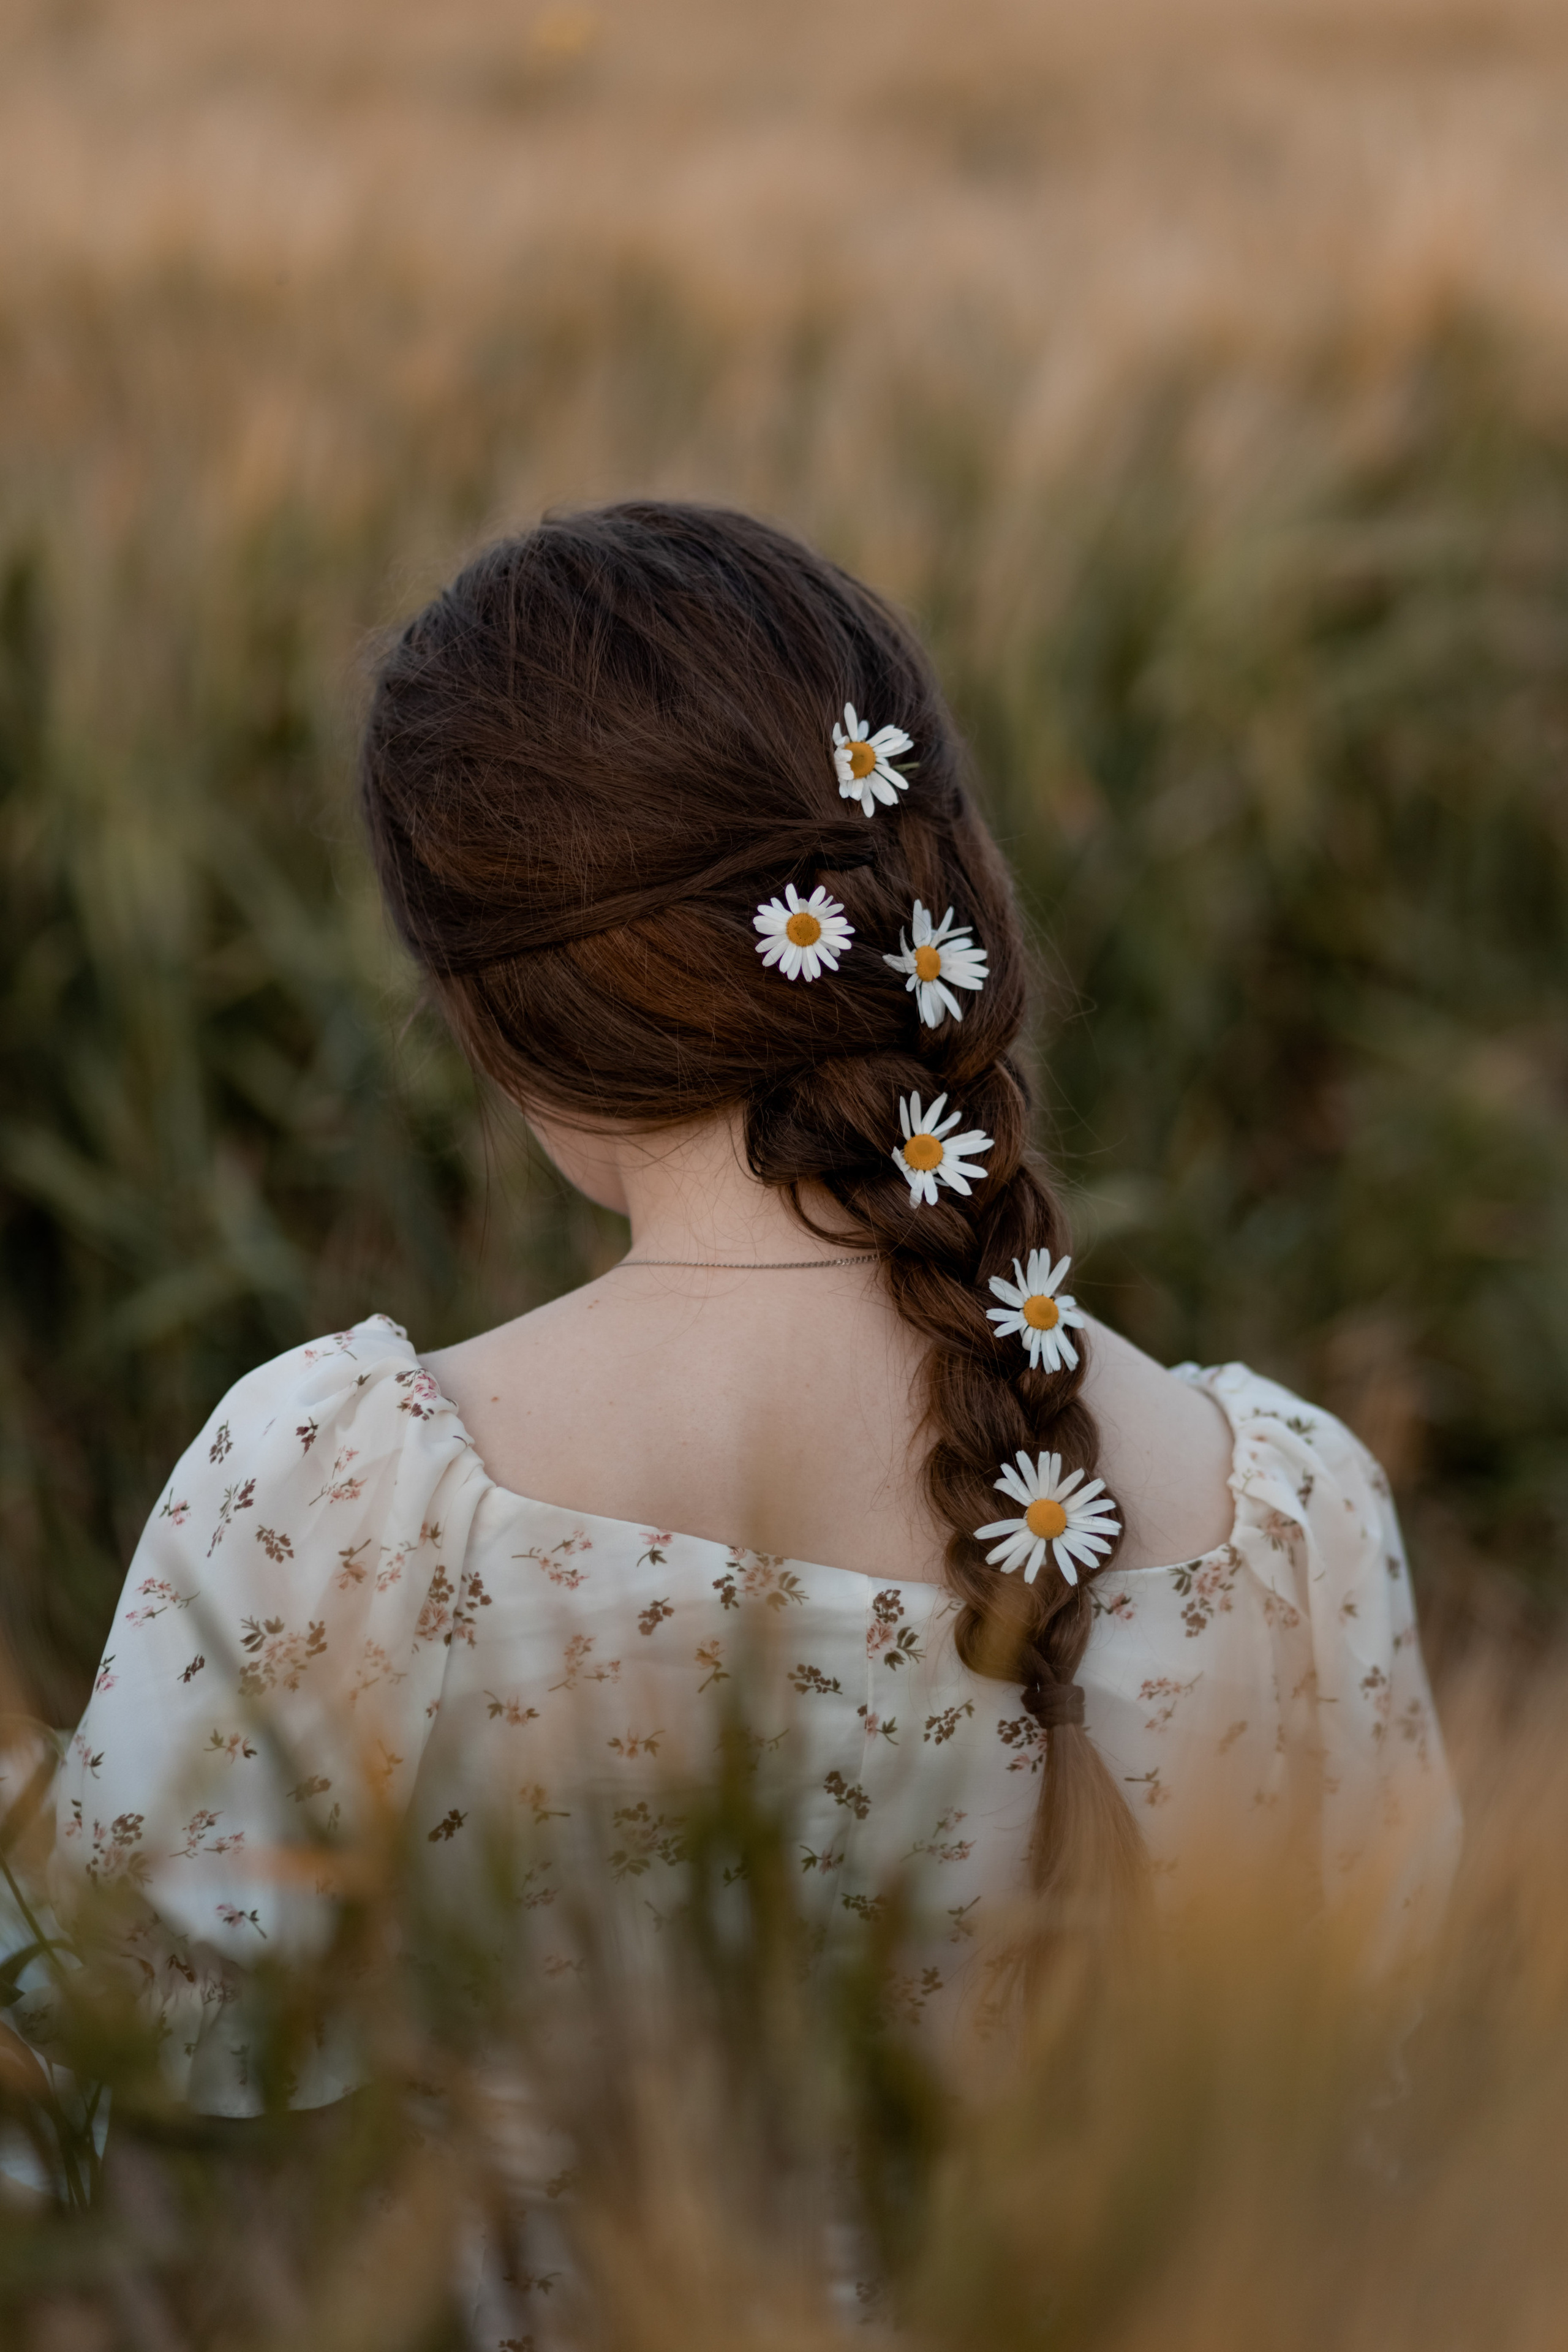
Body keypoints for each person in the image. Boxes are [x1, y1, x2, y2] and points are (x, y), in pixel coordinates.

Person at [47, 503, 1458, 2128]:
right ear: (944, 879)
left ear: (496, 1014)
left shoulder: (342, 1500)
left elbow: (120, 2124)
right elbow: (1393, 2158)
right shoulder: (1291, 1521)